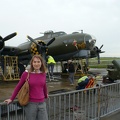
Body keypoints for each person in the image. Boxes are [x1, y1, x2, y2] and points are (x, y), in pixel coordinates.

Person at [4, 55, 48, 120]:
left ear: (41, 63)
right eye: (34, 62)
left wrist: (45, 95)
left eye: (38, 62)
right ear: (32, 63)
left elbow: (44, 86)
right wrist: (11, 99)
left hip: (42, 103)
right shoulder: (26, 74)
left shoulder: (43, 73)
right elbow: (18, 86)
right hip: (30, 104)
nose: (36, 64)